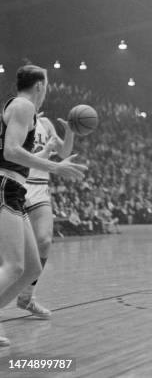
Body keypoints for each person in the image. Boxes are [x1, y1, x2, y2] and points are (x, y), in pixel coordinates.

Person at [0, 65, 86, 346]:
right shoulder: (24, 105)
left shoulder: (28, 111)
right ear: (39, 85)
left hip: (17, 189)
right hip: (6, 185)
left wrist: (50, 154)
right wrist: (52, 165)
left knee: (31, 268)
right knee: (13, 265)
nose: (48, 89)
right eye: (47, 84)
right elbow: (10, 150)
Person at [16, 113, 75, 319]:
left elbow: (64, 151)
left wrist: (69, 132)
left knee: (44, 240)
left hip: (40, 187)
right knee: (11, 253)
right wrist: (45, 151)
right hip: (16, 184)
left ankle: (26, 297)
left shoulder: (46, 123)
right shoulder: (15, 118)